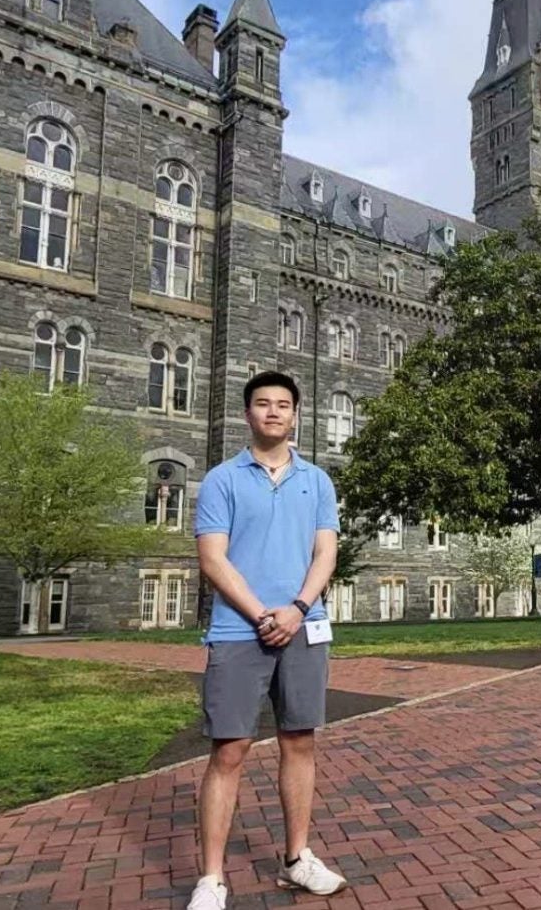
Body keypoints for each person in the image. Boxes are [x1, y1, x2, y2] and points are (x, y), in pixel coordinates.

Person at [187, 371, 345, 910]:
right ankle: (211, 879)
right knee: (229, 750)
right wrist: (261, 615)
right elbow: (213, 558)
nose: (274, 412)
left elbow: (326, 552)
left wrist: (298, 608)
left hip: (304, 627)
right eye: (263, 404)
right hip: (238, 631)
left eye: (283, 404)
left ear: (296, 414)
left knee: (299, 742)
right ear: (248, 414)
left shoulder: (318, 482)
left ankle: (297, 858)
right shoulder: (221, 480)